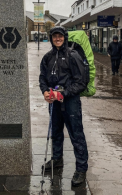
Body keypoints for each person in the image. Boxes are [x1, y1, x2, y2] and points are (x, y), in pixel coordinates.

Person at [39, 26, 88, 187]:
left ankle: (81, 168)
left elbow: (81, 81)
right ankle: (57, 160)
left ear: (64, 37)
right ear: (51, 38)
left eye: (60, 36)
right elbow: (42, 78)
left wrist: (64, 93)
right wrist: (45, 91)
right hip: (54, 102)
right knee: (56, 133)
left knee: (76, 135)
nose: (57, 38)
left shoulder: (73, 56)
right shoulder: (47, 57)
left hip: (70, 102)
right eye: (54, 36)